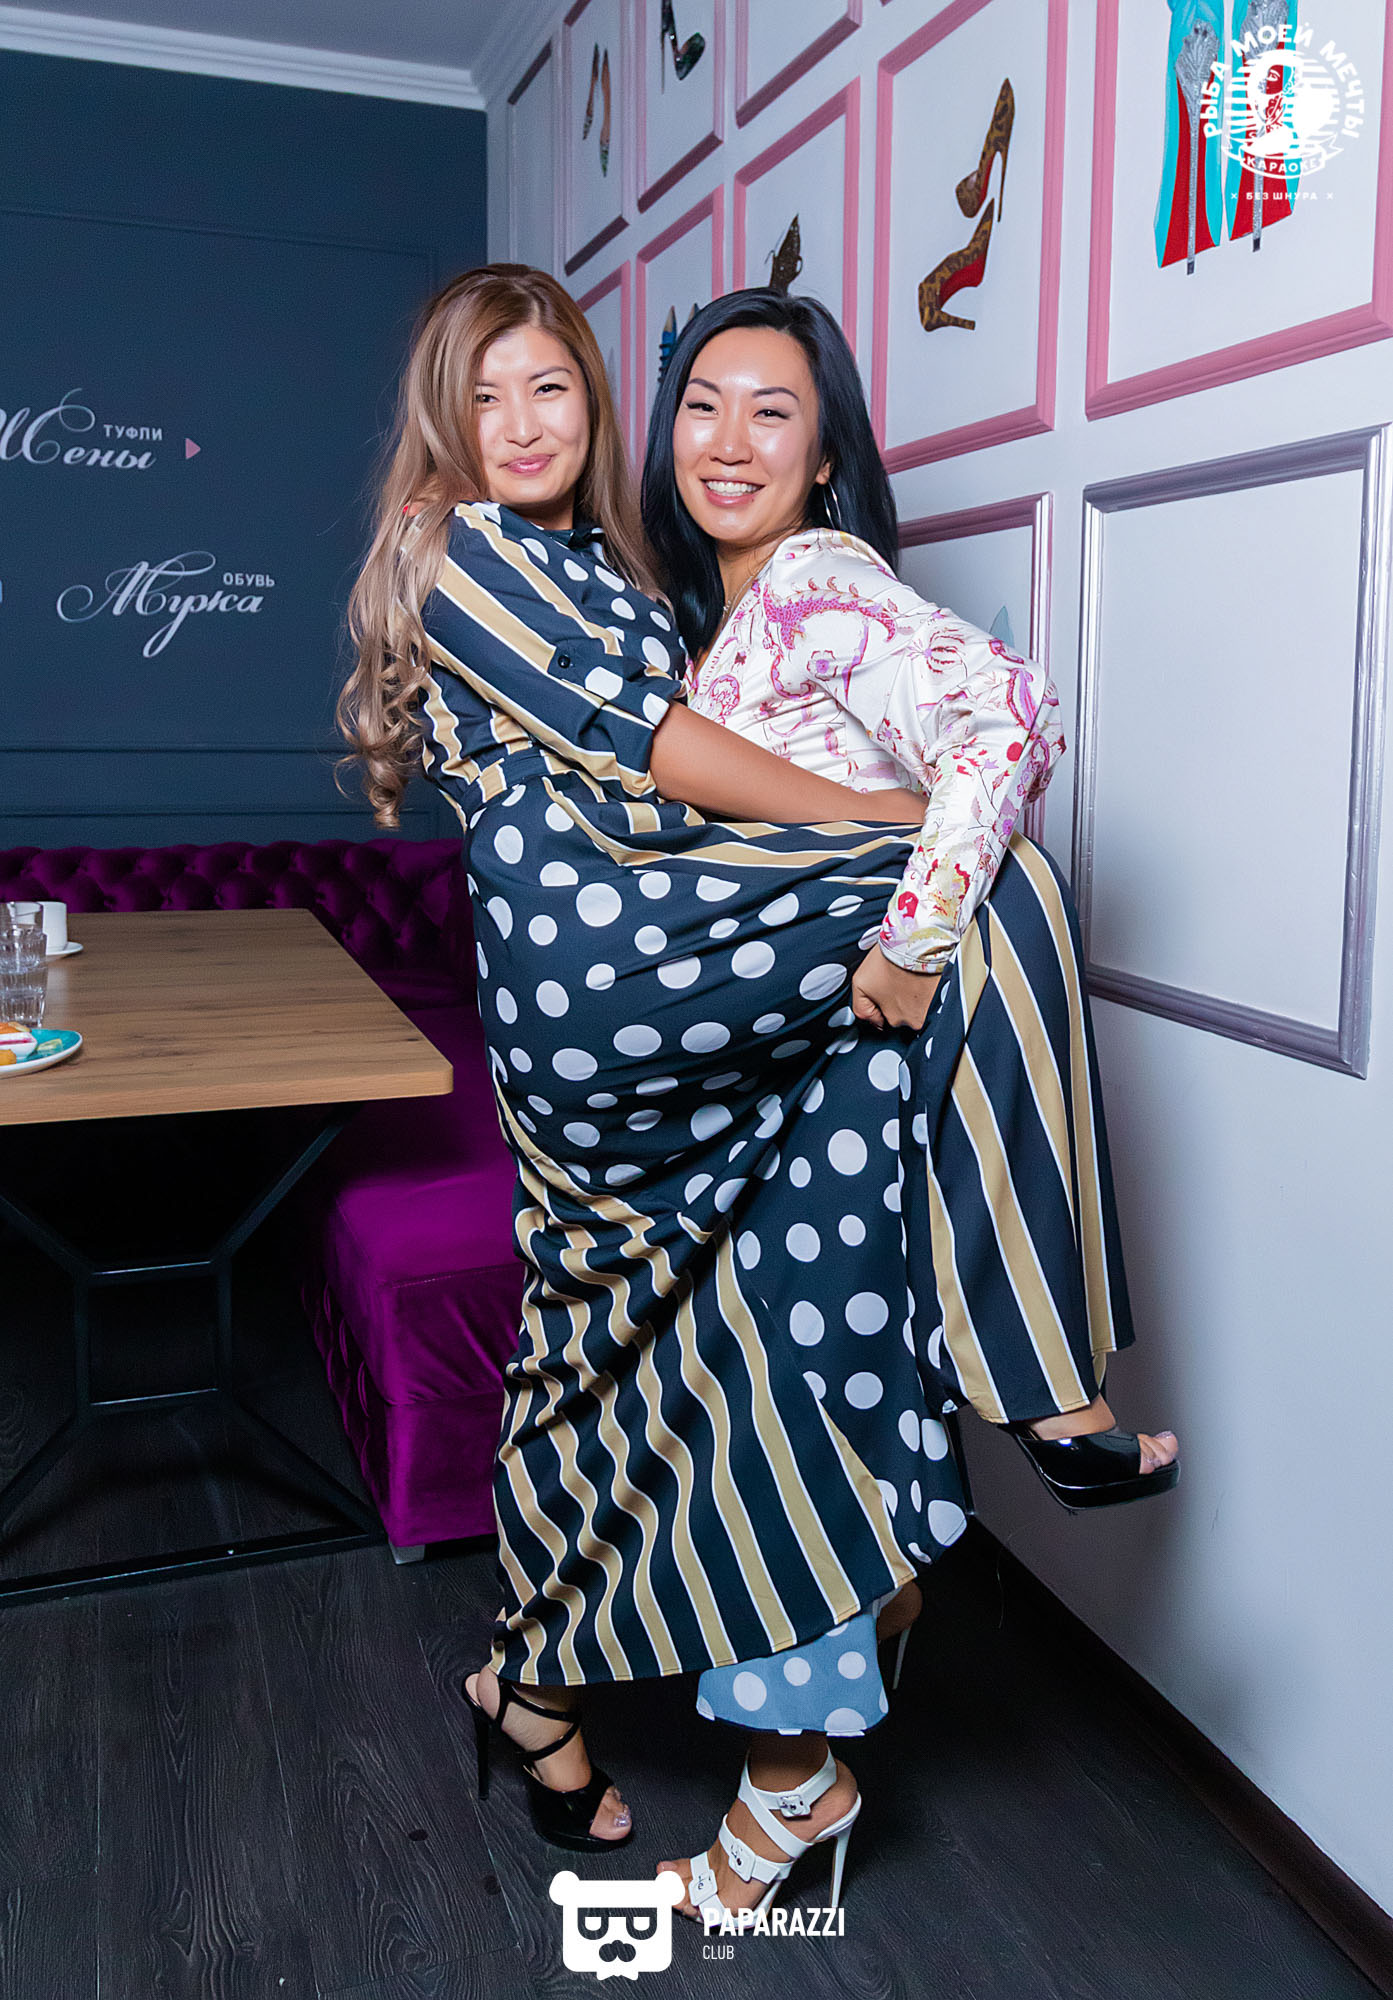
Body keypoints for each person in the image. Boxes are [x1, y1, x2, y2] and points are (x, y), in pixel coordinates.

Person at [341, 264, 981, 1925]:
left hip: (665, 971)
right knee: (982, 885)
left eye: (547, 387)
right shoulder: (452, 543)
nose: (518, 423)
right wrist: (891, 825)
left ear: (592, 397)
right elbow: (654, 753)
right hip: (600, 987)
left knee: (605, 1357)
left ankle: (531, 1688)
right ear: (440, 421)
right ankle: (1046, 1375)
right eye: (483, 396)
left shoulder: (610, 567)